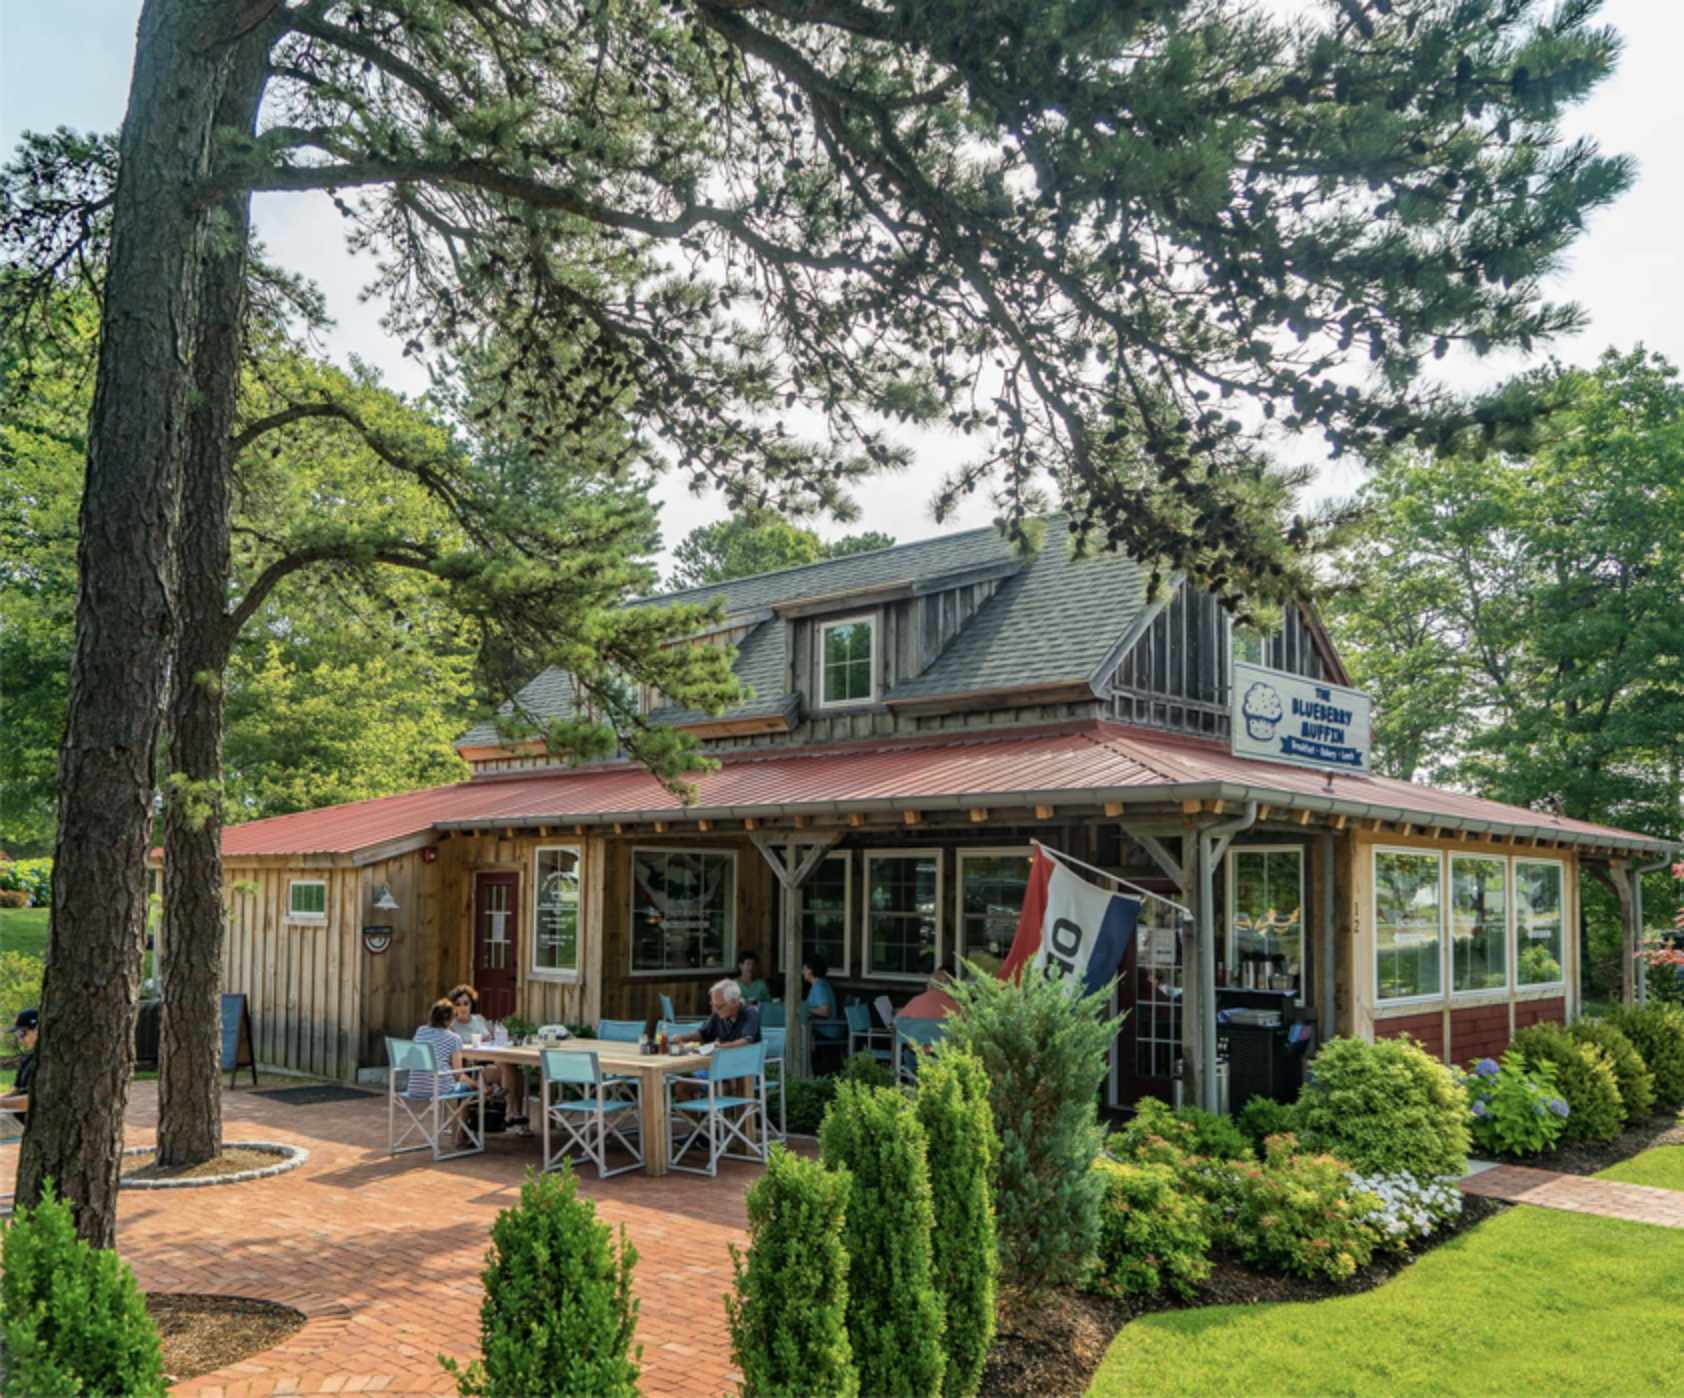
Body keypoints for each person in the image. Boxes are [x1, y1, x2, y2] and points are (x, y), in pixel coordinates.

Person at [448, 984, 528, 1131]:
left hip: (492, 1060)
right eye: (458, 1004)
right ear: (453, 1007)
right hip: (474, 1069)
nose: (463, 1007)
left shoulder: (479, 1019)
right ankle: (512, 1114)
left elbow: (494, 1036)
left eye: (466, 1003)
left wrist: (499, 1032)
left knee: (516, 1070)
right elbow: (455, 1052)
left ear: (471, 1004)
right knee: (507, 1066)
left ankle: (515, 1116)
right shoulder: (452, 1027)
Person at [672, 979, 761, 1049]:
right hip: (724, 1065)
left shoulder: (750, 1013)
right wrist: (683, 1038)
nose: (715, 1010)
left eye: (718, 1006)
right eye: (713, 1005)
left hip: (747, 1067)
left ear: (734, 1002)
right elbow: (703, 1033)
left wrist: (720, 1047)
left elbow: (746, 1041)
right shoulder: (718, 1014)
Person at [803, 955, 846, 1071]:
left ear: (810, 970)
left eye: (804, 968)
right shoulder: (821, 984)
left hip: (826, 1034)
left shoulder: (819, 987)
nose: (803, 971)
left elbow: (825, 1011)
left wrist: (806, 1010)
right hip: (827, 1032)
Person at [1, 1009, 39, 1128]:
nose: (20, 1039)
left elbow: (32, 1101)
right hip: (15, 1120)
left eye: (23, 1033)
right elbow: (15, 1091)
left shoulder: (50, 1062)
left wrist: (1, 1103)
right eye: (18, 1034)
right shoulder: (28, 1058)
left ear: (38, 1029)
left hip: (31, 1126)